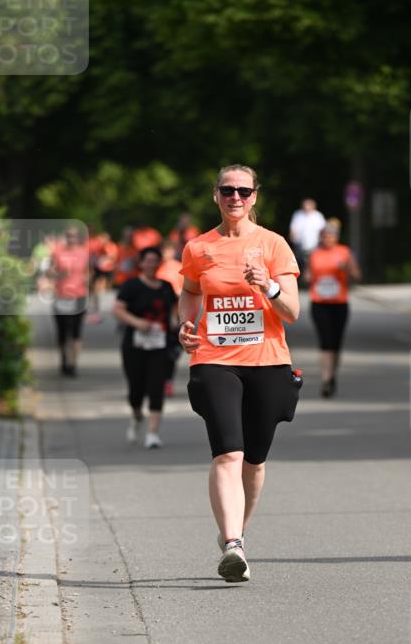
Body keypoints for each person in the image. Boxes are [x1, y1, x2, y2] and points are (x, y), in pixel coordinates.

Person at [178, 164, 301, 583]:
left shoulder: (273, 245)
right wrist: (186, 325)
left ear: (254, 197)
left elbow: (293, 313)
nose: (235, 197)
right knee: (228, 452)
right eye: (228, 190)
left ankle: (238, 532)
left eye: (243, 191)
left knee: (254, 461)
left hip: (267, 360)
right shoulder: (198, 248)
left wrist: (268, 287)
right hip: (214, 360)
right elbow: (191, 291)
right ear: (216, 195)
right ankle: (233, 544)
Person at [113, 246, 178, 448]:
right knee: (136, 389)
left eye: (155, 261)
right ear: (140, 263)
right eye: (147, 260)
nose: (151, 264)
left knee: (157, 386)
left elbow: (175, 309)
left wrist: (176, 324)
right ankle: (136, 414)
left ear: (160, 263)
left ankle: (152, 433)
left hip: (160, 345)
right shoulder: (131, 286)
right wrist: (137, 323)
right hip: (135, 346)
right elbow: (118, 309)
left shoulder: (166, 287)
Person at [306, 219, 361, 397]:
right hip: (319, 303)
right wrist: (306, 277)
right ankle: (325, 379)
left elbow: (357, 275)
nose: (328, 239)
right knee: (325, 342)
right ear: (321, 237)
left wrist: (347, 269)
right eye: (325, 236)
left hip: (339, 304)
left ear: (336, 237)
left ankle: (332, 375)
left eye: (331, 236)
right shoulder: (315, 254)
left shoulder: (344, 252)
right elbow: (307, 275)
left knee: (336, 344)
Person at [49, 225, 90, 377]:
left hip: (79, 296)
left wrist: (87, 283)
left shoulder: (83, 253)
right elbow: (49, 271)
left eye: (74, 235)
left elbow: (89, 272)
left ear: (78, 238)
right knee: (62, 333)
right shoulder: (58, 251)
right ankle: (63, 359)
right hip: (61, 296)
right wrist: (57, 273)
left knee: (76, 333)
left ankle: (73, 364)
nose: (71, 238)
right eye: (68, 235)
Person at [157, 240, 184, 397]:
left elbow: (186, 290)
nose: (165, 254)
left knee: (172, 352)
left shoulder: (178, 267)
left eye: (168, 250)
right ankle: (157, 380)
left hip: (175, 312)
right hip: (158, 314)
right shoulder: (155, 267)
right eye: (163, 251)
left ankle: (168, 381)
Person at [289, 197, 326, 276]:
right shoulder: (298, 215)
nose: (307, 207)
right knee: (300, 264)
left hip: (315, 245)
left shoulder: (318, 216)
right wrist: (292, 240)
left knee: (313, 263)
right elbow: (293, 228)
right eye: (305, 205)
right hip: (300, 245)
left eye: (309, 205)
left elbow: (323, 230)